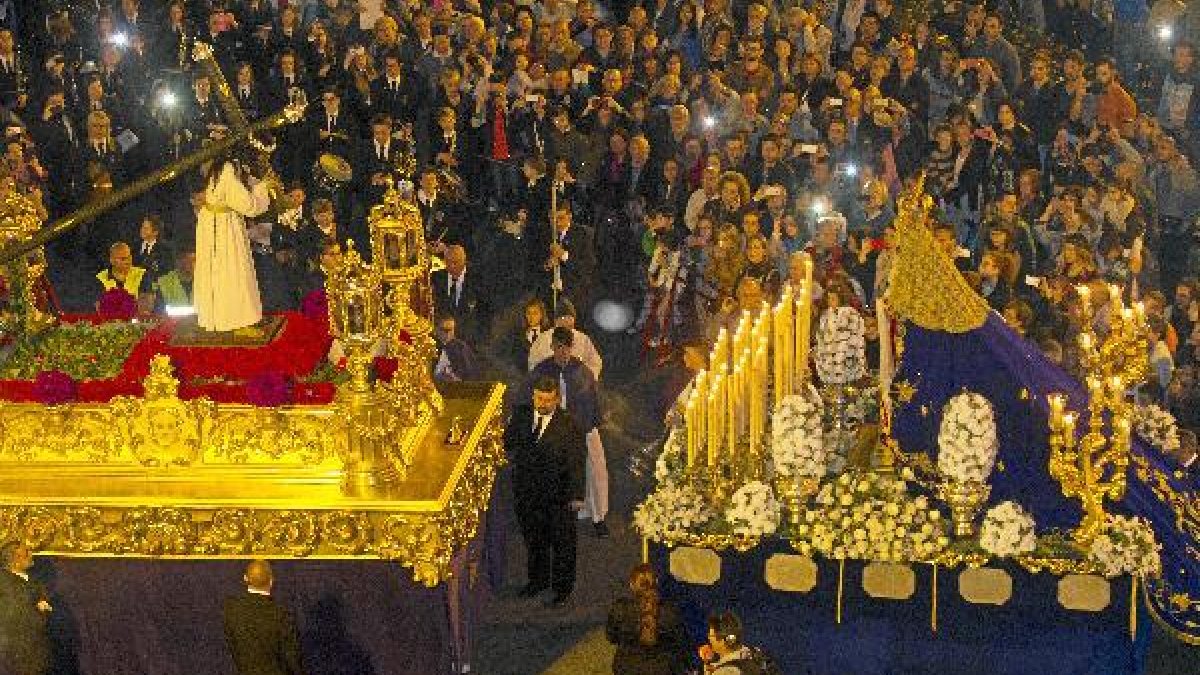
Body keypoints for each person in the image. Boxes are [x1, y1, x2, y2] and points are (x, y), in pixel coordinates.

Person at [504, 376, 587, 608]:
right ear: (533, 396)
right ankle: (537, 581)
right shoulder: (521, 416)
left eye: (549, 400)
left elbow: (578, 461)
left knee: (562, 544)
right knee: (534, 540)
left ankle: (562, 589)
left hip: (558, 496)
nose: (543, 404)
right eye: (540, 398)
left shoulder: (570, 425)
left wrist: (577, 495)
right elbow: (508, 443)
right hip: (527, 493)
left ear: (557, 399)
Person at [529, 327, 610, 537]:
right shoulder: (542, 371)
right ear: (552, 347)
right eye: (557, 348)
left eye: (565, 349)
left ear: (571, 348)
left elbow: (591, 402)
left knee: (595, 467)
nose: (561, 353)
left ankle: (599, 517)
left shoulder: (583, 372)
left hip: (581, 428)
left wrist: (587, 428)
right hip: (552, 430)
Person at [194, 152, 272, 333]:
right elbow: (249, 206)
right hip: (223, 227)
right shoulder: (227, 169)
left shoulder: (216, 165)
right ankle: (233, 319)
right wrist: (263, 186)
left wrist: (253, 180)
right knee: (232, 271)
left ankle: (218, 318)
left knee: (220, 272)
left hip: (213, 223)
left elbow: (241, 183)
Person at [222, 559, 304, 675]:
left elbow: (233, 649)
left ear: (245, 578)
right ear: (271, 581)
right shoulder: (282, 615)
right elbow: (292, 658)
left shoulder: (231, 611)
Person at [605, 564, 689, 675]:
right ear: (657, 583)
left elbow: (611, 638)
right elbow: (681, 642)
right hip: (663, 669)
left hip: (625, 668)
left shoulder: (619, 609)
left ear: (632, 585)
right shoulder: (671, 612)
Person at [0, 542, 52, 675]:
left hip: (35, 647)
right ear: (13, 558)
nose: (31, 555)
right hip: (14, 650)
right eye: (26, 552)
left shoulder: (33, 581)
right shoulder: (4, 581)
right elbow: (16, 611)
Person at [700, 611, 780, 675]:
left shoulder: (726, 671)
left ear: (723, 641)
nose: (708, 638)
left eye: (711, 635)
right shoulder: (754, 653)